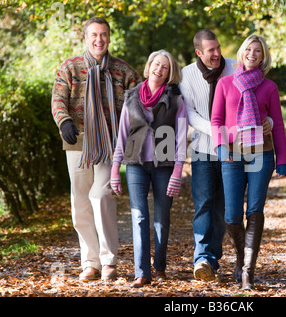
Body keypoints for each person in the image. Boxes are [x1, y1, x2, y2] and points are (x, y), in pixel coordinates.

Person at [51, 17, 141, 281]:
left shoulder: (123, 71)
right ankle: (90, 262)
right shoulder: (70, 67)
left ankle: (108, 260)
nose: (99, 40)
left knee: (100, 196)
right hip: (77, 142)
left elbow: (139, 105)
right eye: (94, 35)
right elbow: (58, 99)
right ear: (86, 38)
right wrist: (64, 121)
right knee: (80, 203)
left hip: (110, 146)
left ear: (109, 38)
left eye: (103, 35)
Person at [180, 30, 273, 282]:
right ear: (199, 52)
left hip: (235, 152)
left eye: (218, 47)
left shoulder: (235, 66)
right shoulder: (186, 75)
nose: (217, 53)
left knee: (225, 209)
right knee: (203, 204)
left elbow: (258, 97)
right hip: (204, 148)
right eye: (210, 50)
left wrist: (270, 120)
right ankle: (202, 258)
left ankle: (217, 260)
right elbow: (190, 114)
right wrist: (219, 132)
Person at [211, 35, 286, 289]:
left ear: (263, 57)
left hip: (262, 154)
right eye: (249, 49)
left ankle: (248, 271)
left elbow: (277, 125)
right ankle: (240, 257)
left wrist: (282, 159)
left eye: (258, 51)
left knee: (255, 211)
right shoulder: (225, 84)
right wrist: (221, 147)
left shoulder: (269, 87)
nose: (253, 54)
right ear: (242, 52)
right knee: (232, 215)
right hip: (232, 155)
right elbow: (217, 120)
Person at [110, 50, 188, 288]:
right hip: (135, 165)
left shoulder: (176, 100)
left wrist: (177, 171)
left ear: (169, 72)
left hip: (164, 165)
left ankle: (160, 267)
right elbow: (122, 133)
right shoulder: (131, 96)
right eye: (156, 64)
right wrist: (115, 169)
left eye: (165, 67)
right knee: (139, 216)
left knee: (161, 219)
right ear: (149, 66)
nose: (159, 69)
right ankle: (142, 272)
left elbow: (182, 138)